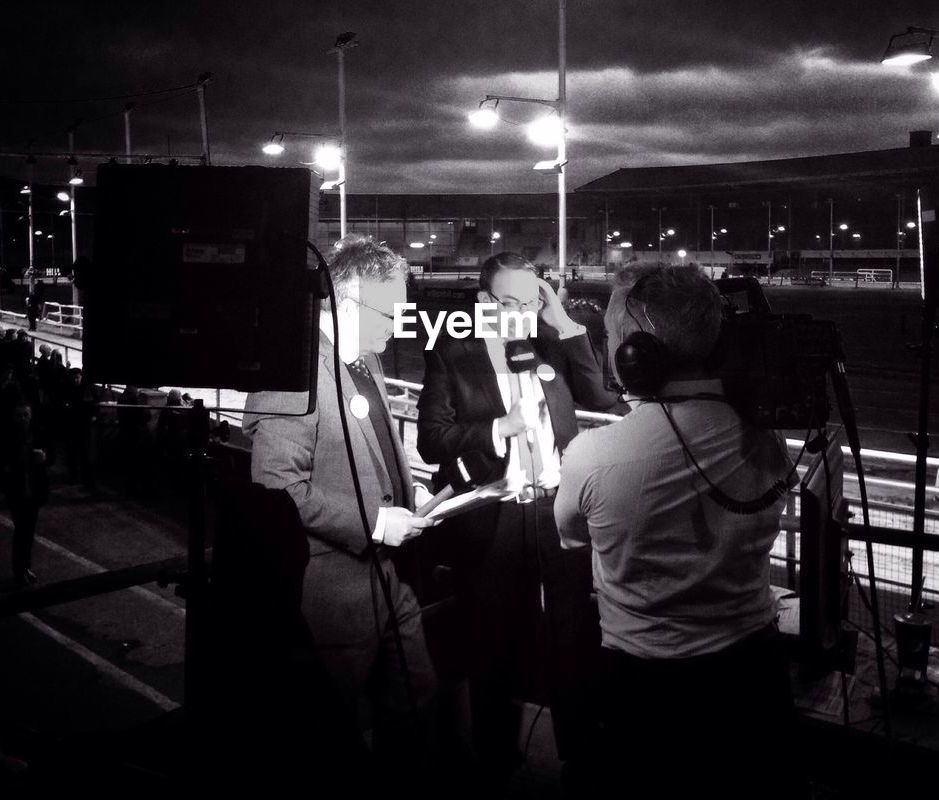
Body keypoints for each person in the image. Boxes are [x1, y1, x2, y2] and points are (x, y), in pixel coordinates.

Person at [554, 263, 799, 794]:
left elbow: (571, 537)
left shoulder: (591, 457)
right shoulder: (768, 442)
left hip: (645, 698)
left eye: (615, 339)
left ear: (637, 357)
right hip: (754, 686)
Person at [416, 251, 621, 793]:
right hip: (493, 516)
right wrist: (496, 429)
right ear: (485, 303)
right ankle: (494, 760)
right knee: (491, 643)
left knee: (574, 638)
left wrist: (567, 324)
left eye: (531, 301)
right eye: (511, 302)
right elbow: (431, 440)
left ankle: (581, 758)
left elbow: (603, 399)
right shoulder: (453, 351)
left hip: (557, 512)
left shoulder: (552, 341)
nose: (523, 312)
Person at [242, 234, 439, 777]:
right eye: (389, 312)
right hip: (329, 591)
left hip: (385, 578)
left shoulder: (364, 361)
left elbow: (373, 446)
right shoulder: (293, 369)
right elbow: (277, 488)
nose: (395, 326)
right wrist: (376, 522)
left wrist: (408, 490)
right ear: (344, 298)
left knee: (417, 699)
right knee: (328, 734)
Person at [0, 401, 49, 586]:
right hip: (17, 490)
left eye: (25, 415)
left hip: (33, 490)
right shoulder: (7, 438)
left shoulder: (37, 434)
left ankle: (24, 566)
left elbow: (51, 455)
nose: (22, 419)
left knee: (28, 531)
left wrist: (44, 457)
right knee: (22, 530)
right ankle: (20, 569)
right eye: (19, 415)